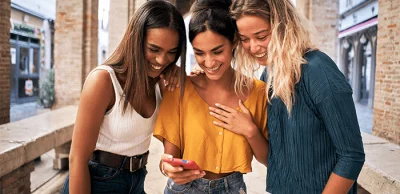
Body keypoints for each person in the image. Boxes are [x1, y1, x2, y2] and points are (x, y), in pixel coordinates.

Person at [209, 0, 366, 193]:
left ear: (284, 26)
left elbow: (352, 156)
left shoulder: (319, 72)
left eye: (261, 36)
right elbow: (275, 161)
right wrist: (251, 131)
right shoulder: (269, 76)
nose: (253, 47)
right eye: (245, 39)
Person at [62, 1, 187, 193]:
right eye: (153, 49)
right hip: (98, 181)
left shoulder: (160, 82)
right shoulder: (103, 80)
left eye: (171, 52)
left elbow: (175, 138)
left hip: (137, 180)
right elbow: (77, 158)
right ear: (135, 40)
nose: (162, 60)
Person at [153, 0, 269, 193]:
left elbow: (267, 159)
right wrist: (168, 168)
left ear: (233, 42)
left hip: (233, 188)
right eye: (199, 53)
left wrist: (250, 131)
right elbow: (168, 158)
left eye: (217, 51)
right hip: (183, 189)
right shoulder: (179, 89)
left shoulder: (258, 92)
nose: (209, 62)